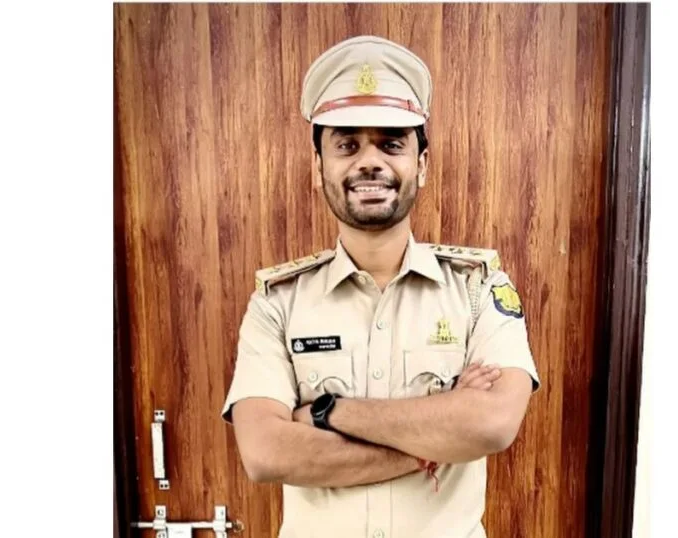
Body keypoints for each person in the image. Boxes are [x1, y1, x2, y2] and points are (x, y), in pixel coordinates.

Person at [221, 35, 541, 538]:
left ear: (422, 165)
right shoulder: (276, 304)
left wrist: (327, 412)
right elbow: (265, 453)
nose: (369, 162)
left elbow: (492, 424)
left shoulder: (479, 289)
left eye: (391, 143)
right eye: (347, 145)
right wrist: (430, 443)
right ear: (318, 167)